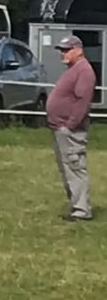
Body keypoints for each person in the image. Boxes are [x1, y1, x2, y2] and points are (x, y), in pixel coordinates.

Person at [45, 35, 96, 221]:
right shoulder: (74, 70)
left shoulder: (84, 71)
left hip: (71, 130)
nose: (63, 54)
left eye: (67, 50)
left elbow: (83, 100)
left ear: (79, 50)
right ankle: (76, 207)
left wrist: (71, 124)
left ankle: (82, 211)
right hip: (61, 128)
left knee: (75, 168)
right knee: (67, 169)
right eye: (62, 50)